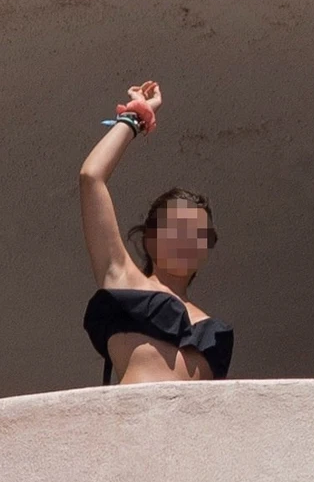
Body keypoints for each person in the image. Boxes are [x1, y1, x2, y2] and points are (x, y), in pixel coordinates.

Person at [78, 80, 232, 384]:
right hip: (130, 428)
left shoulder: (212, 327)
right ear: (150, 238)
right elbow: (91, 177)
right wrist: (136, 117)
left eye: (199, 231)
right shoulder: (123, 277)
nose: (189, 238)